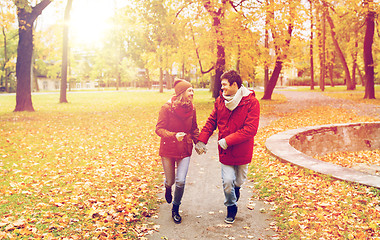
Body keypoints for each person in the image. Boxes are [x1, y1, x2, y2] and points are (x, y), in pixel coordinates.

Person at [195, 70, 260, 224]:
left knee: (238, 180)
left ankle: (236, 190)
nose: (222, 88)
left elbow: (250, 129)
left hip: (243, 150)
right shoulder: (220, 101)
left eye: (224, 85)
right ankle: (231, 207)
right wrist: (201, 140)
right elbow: (212, 121)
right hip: (226, 151)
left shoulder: (251, 102)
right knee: (227, 182)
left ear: (235, 85)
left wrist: (228, 140)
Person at [155, 79, 199, 224]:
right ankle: (168, 187)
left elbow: (194, 129)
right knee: (171, 180)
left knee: (180, 181)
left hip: (184, 149)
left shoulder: (192, 109)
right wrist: (174, 135)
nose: (192, 93)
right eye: (189, 90)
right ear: (181, 93)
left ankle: (175, 208)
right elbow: (159, 129)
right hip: (168, 149)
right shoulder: (166, 108)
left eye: (192, 90)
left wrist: (199, 142)